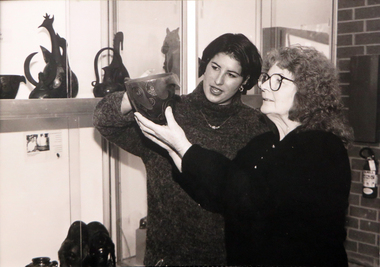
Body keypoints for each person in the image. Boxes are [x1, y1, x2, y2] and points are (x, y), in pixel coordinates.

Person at [135, 45, 353, 266]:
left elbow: (250, 196)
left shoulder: (323, 147)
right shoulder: (263, 143)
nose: (264, 86)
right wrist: (172, 148)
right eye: (266, 78)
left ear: (307, 91)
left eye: (277, 80)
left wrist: (183, 146)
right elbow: (220, 195)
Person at [93, 33, 269, 266]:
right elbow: (104, 120)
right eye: (215, 67)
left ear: (245, 81)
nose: (218, 80)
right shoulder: (167, 112)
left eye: (231, 74)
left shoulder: (256, 128)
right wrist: (133, 93)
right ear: (204, 65)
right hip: (165, 259)